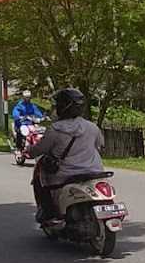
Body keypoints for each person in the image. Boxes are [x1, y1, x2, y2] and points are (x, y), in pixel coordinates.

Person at [30, 87, 105, 219]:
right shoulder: (92, 127)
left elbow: (40, 149)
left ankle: (48, 212)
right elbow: (100, 145)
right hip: (94, 172)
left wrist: (29, 151)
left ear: (63, 107)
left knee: (40, 176)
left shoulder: (55, 129)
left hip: (65, 175)